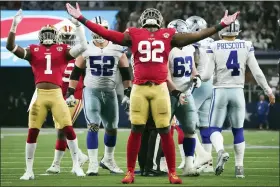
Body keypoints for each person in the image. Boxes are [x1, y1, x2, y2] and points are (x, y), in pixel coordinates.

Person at [66, 3, 240, 184]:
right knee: (159, 130)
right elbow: (196, 35)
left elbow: (107, 34)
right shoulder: (166, 35)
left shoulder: (137, 33)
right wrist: (220, 25)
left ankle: (139, 172)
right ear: (160, 22)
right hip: (154, 88)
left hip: (147, 88)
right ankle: (164, 172)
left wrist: (81, 18)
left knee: (145, 130)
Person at [6, 8, 88, 180]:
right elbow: (11, 47)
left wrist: (78, 26)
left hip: (57, 95)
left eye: (52, 32)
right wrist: (14, 26)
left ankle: (76, 165)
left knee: (68, 129)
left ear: (56, 36)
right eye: (46, 33)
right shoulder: (33, 50)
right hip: (40, 95)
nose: (49, 36)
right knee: (32, 131)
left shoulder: (63, 49)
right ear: (41, 36)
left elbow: (82, 47)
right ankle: (29, 170)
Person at [201, 20, 276, 178]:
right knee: (238, 131)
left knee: (214, 129)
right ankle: (239, 168)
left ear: (222, 31)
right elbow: (257, 72)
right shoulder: (246, 45)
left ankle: (221, 151)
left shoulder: (214, 46)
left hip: (220, 91)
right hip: (238, 91)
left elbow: (207, 75)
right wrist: (268, 90)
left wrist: (197, 78)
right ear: (237, 30)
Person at [66, 16, 131, 176]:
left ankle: (108, 159)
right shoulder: (85, 49)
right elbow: (75, 73)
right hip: (91, 92)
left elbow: (125, 73)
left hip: (110, 92)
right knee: (93, 126)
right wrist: (70, 93)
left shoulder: (117, 48)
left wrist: (128, 93)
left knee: (112, 128)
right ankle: (93, 163)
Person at [46, 25, 88, 174]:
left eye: (69, 37)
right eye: (64, 37)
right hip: (59, 95)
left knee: (63, 128)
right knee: (62, 129)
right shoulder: (56, 53)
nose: (67, 41)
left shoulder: (80, 53)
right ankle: (78, 158)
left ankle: (58, 164)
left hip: (74, 96)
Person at [167, 19, 202, 176]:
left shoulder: (189, 48)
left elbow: (193, 68)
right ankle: (162, 165)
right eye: (177, 34)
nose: (180, 37)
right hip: (168, 94)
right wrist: (176, 92)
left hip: (186, 94)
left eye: (182, 34)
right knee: (164, 130)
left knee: (190, 128)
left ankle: (189, 165)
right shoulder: (167, 49)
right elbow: (165, 74)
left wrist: (196, 77)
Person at [185, 16, 214, 173]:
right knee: (205, 124)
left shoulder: (194, 43)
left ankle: (196, 157)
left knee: (184, 121)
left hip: (199, 82)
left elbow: (193, 63)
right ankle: (208, 163)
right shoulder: (211, 41)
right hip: (212, 84)